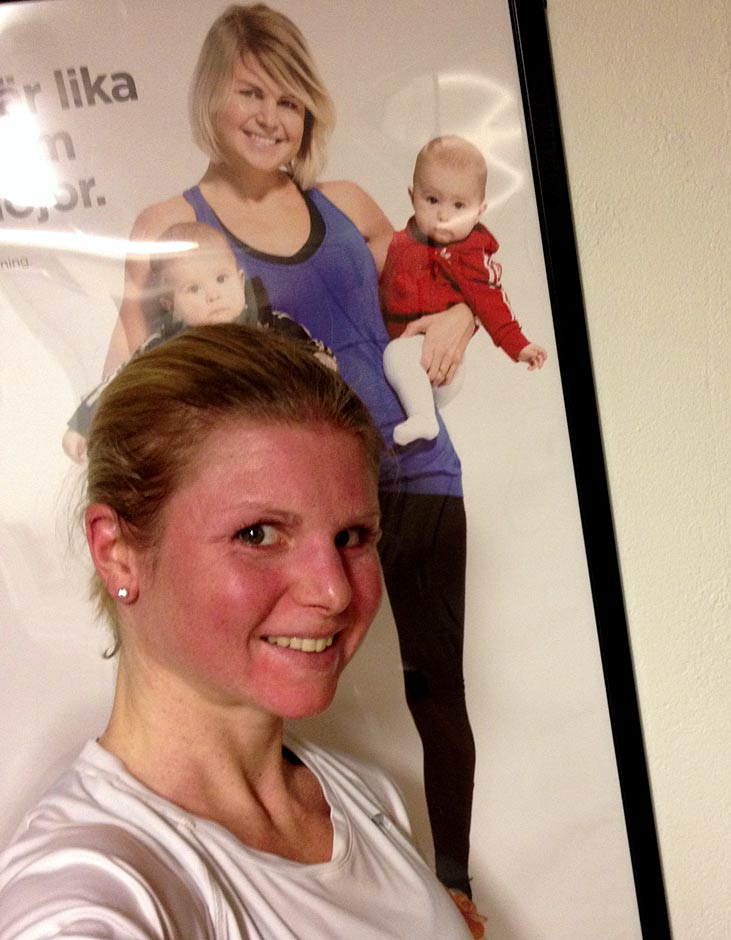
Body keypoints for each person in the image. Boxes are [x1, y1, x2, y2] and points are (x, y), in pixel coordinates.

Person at [101, 3, 483, 922]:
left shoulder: (346, 206)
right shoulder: (170, 224)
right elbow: (126, 386)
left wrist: (462, 316)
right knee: (281, 694)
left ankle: (454, 885)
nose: (271, 116)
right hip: (281, 512)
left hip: (414, 476)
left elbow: (437, 284)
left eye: (290, 99)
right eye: (251, 93)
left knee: (437, 685)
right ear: (211, 98)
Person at [0, 324, 475, 940]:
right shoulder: (88, 889)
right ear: (118, 554)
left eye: (352, 536)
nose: (333, 591)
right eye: (258, 534)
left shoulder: (364, 797)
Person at [63, 221, 335, 462]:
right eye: (194, 288)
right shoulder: (166, 348)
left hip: (272, 434)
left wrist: (321, 367)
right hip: (200, 447)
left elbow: (316, 357)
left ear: (240, 279)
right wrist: (83, 423)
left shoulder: (271, 326)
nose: (213, 295)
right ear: (170, 303)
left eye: (221, 279)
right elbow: (121, 383)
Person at [380, 136, 547, 445]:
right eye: (432, 200)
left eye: (459, 205)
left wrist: (519, 346)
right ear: (413, 196)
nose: (444, 216)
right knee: (394, 369)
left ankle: (424, 419)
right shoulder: (403, 241)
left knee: (396, 355)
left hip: (435, 361)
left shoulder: (468, 254)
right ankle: (419, 417)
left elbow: (492, 301)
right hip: (410, 361)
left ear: (479, 211)